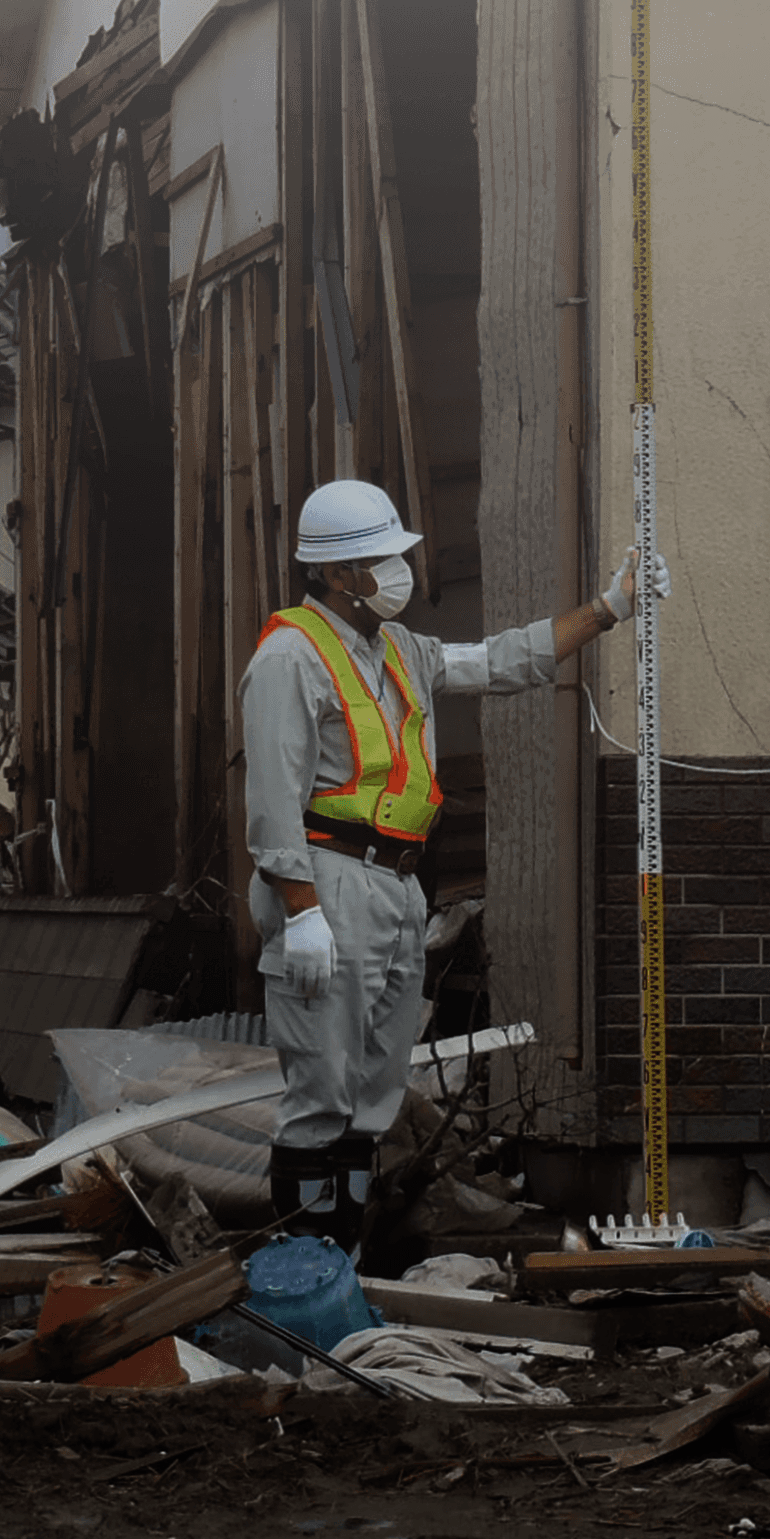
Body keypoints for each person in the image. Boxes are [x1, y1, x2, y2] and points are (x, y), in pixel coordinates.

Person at [239, 477, 670, 1250]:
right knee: (322, 1091)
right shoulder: (289, 656)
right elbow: (272, 799)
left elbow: (503, 660)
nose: (400, 572)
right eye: (382, 560)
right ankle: (306, 1276)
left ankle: (349, 1260)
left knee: (372, 1093)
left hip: (396, 885)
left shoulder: (398, 648)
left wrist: (608, 609)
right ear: (338, 574)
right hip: (327, 878)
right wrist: (300, 911)